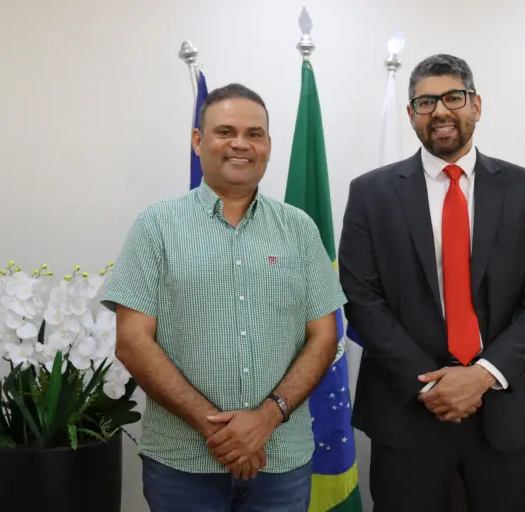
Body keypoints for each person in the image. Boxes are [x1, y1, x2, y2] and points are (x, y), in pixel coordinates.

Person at [101, 83, 347, 512]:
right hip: (182, 465)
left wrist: (266, 419)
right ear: (198, 141)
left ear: (268, 145)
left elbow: (324, 337)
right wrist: (222, 432)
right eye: (225, 131)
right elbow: (133, 342)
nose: (240, 144)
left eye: (254, 134)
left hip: (281, 459)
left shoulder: (300, 229)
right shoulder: (156, 226)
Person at [338, 54, 525, 511]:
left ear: (476, 106)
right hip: (406, 413)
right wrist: (430, 386)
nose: (440, 111)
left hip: (502, 412)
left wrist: (482, 375)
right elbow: (361, 298)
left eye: (453, 98)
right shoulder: (371, 193)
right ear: (411, 115)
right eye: (425, 102)